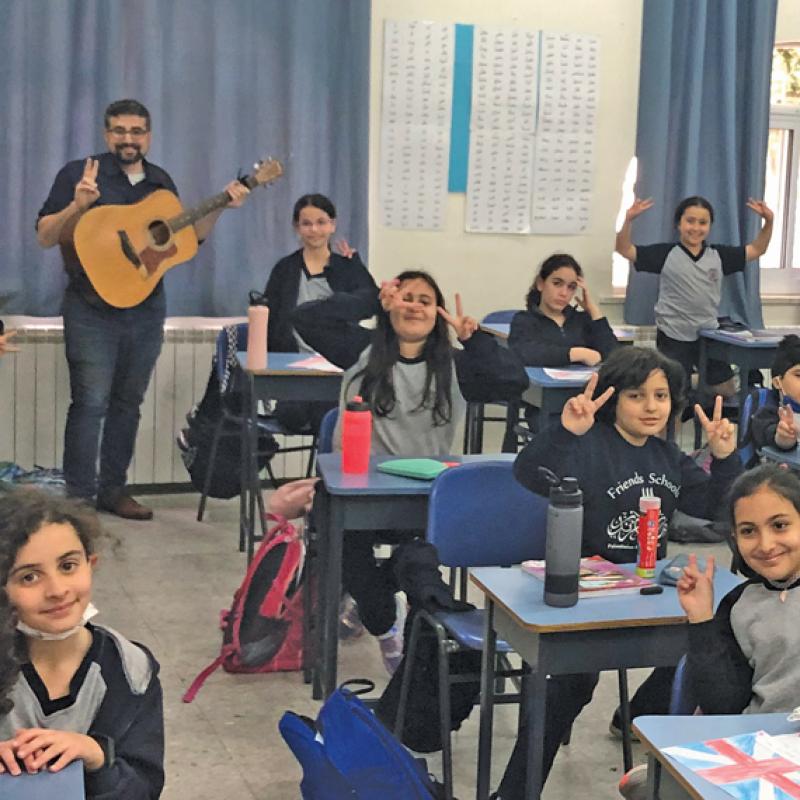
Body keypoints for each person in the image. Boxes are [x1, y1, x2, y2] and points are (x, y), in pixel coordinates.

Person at [494, 346, 742, 799]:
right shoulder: (587, 444)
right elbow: (527, 473)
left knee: (698, 648)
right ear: (613, 400)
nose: (651, 407)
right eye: (636, 396)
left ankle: (637, 717)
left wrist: (725, 458)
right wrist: (566, 433)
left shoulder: (667, 456)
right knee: (564, 691)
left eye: (661, 396)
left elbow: (715, 508)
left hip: (644, 591)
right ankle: (514, 793)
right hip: (582, 595)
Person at [293, 270, 527, 672]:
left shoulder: (455, 364)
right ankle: (385, 626)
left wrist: (476, 340)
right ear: (391, 304)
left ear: (437, 313)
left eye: (424, 300)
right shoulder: (360, 350)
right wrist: (370, 299)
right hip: (356, 496)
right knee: (348, 552)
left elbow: (513, 381)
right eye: (406, 297)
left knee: (416, 560)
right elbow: (305, 318)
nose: (415, 306)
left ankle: (420, 648)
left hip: (422, 498)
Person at [36, 99, 250, 520]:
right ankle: (79, 501)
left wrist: (222, 205)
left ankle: (113, 491)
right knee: (90, 403)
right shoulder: (81, 174)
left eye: (136, 131)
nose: (128, 139)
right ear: (106, 134)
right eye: (119, 130)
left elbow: (187, 240)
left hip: (146, 309)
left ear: (148, 136)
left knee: (127, 403)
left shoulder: (160, 183)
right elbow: (45, 236)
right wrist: (78, 206)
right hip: (90, 307)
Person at [619, 463, 800, 800]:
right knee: (647, 786)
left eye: (780, 525)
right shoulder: (741, 605)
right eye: (748, 531)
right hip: (762, 752)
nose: (766, 543)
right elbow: (725, 704)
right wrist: (702, 619)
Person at [0, 489, 163, 798]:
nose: (57, 590)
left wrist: (97, 757)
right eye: (29, 577)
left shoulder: (130, 670)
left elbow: (145, 787)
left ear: (91, 563)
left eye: (68, 566)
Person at [615, 195, 773, 400]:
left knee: (726, 391)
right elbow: (624, 249)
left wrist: (768, 221)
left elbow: (757, 249)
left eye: (702, 222)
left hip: (708, 335)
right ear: (679, 224)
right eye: (690, 221)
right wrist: (628, 220)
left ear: (709, 226)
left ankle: (697, 387)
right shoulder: (666, 254)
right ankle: (684, 393)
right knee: (673, 398)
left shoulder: (718, 255)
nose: (696, 228)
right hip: (673, 336)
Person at [263, 193, 379, 434]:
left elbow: (371, 304)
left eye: (321, 222)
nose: (314, 230)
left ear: (332, 225)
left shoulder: (346, 266)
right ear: (297, 227)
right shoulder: (284, 270)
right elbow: (269, 321)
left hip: (340, 368)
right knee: (298, 415)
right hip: (293, 370)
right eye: (306, 223)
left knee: (333, 415)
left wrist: (355, 268)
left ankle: (327, 469)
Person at [509, 253, 619, 367]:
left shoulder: (582, 320)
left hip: (584, 384)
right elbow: (525, 352)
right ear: (540, 284)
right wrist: (575, 354)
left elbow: (615, 356)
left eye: (571, 287)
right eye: (557, 283)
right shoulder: (524, 320)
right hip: (544, 384)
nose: (564, 293)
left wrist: (594, 311)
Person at [749, 334, 800, 454]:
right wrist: (784, 438)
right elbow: (769, 433)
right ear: (778, 382)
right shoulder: (768, 412)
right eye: (799, 375)